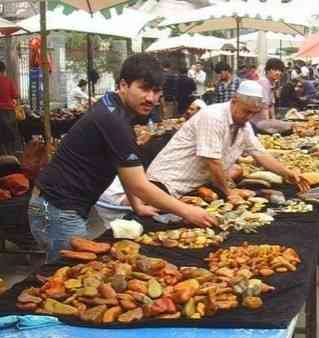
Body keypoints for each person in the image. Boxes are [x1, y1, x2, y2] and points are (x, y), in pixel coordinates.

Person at [28, 53, 216, 263]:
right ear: (124, 85)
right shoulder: (114, 120)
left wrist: (137, 206)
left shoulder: (113, 106)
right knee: (68, 273)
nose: (151, 98)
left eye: (156, 91)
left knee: (94, 261)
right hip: (56, 208)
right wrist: (187, 211)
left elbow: (122, 167)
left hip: (67, 204)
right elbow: (139, 185)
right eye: (144, 89)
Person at [146, 80, 310, 199]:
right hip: (164, 184)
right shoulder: (213, 117)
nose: (249, 117)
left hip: (190, 187)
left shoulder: (243, 125)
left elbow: (260, 154)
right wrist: (230, 192)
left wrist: (287, 173)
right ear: (234, 101)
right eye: (246, 111)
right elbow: (212, 161)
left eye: (253, 113)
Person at [252, 58, 293, 134]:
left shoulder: (271, 83)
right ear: (267, 71)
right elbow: (264, 107)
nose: (278, 73)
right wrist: (270, 128)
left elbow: (271, 107)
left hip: (262, 122)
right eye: (274, 70)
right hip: (256, 124)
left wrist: (274, 122)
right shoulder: (264, 82)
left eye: (280, 70)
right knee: (289, 126)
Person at [0, 61, 19, 155]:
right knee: (11, 134)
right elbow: (15, 95)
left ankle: (4, 154)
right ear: (3, 70)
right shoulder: (8, 80)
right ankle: (12, 154)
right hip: (9, 112)